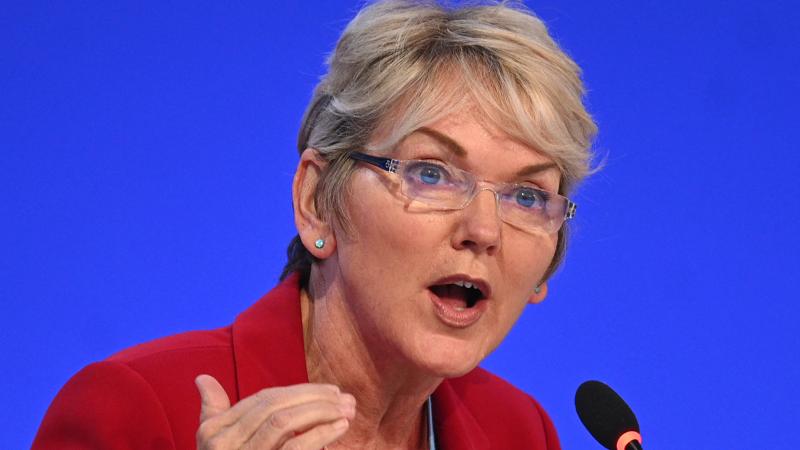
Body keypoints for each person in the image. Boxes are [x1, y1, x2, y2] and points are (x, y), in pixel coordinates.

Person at [33, 0, 596, 448]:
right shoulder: (134, 410)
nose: (484, 230)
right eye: (431, 173)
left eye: (527, 196)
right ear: (316, 202)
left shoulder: (519, 431)